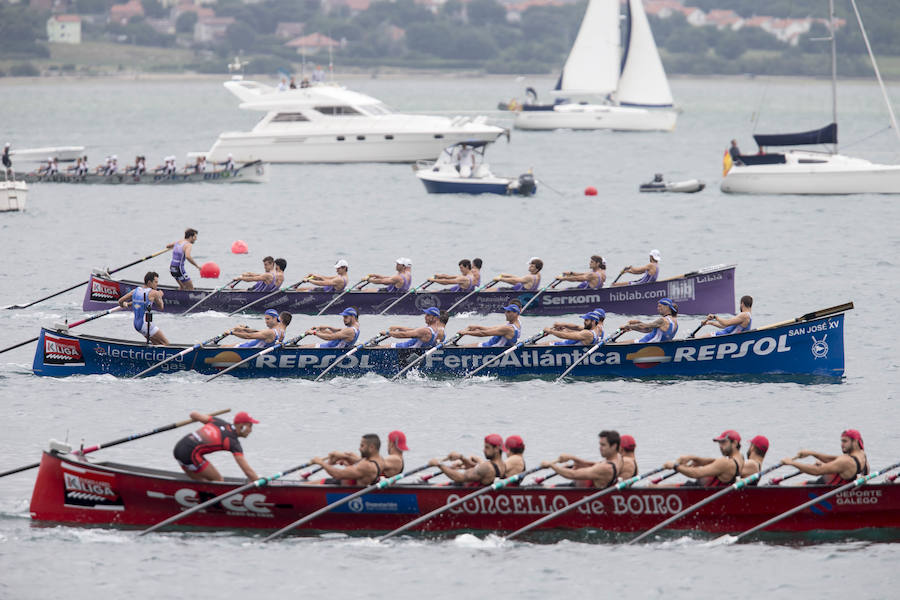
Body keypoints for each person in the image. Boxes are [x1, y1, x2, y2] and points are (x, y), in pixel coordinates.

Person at [173, 410, 260, 482]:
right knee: (218, 480)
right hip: (190, 454)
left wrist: (196, 416)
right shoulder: (233, 443)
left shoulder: (218, 422)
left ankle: (199, 497)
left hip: (179, 447)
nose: (251, 430)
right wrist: (258, 481)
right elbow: (248, 472)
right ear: (242, 426)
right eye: (250, 426)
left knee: (200, 481)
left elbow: (193, 414)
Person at [781, 429, 869, 485]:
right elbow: (835, 459)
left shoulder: (846, 461)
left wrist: (791, 463)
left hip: (822, 491)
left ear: (855, 442)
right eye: (841, 441)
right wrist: (812, 453)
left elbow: (817, 471)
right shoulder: (862, 454)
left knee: (794, 487)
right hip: (825, 485)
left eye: (845, 441)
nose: (842, 445)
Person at [541, 430, 624, 488]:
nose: (600, 448)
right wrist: (572, 458)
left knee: (536, 488)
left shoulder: (605, 468)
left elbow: (572, 474)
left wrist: (551, 465)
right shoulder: (619, 458)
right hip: (575, 487)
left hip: (580, 494)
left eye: (603, 445)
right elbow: (593, 465)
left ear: (614, 446)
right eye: (600, 445)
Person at [663, 430, 745, 487]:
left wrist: (675, 466)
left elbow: (696, 473)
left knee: (653, 487)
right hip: (707, 491)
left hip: (698, 495)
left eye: (723, 442)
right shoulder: (740, 458)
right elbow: (715, 462)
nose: (720, 446)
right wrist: (695, 458)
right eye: (719, 443)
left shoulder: (725, 463)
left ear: (734, 443)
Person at [428, 434, 507, 486]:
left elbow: (460, 477)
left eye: (487, 447)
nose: (483, 450)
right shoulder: (503, 465)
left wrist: (439, 465)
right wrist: (462, 458)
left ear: (496, 449)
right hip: (478, 491)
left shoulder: (487, 467)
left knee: (434, 487)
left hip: (464, 493)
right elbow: (475, 471)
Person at [327, 430, 408, 478]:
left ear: (391, 443)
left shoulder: (395, 459)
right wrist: (350, 459)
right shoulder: (396, 459)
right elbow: (371, 464)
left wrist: (345, 456)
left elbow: (374, 463)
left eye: (387, 442)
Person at [313, 434, 386, 486]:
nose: (359, 448)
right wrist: (346, 457)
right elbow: (360, 465)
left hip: (340, 488)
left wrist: (320, 462)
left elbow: (338, 474)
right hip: (345, 484)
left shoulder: (366, 466)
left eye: (362, 446)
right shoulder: (380, 460)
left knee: (305, 485)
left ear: (371, 447)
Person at [117, 271, 168, 344]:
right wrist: (160, 296)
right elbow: (161, 307)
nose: (157, 284)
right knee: (165, 343)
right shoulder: (154, 293)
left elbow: (120, 301)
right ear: (150, 282)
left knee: (156, 344)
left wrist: (126, 304)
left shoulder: (135, 291)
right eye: (156, 282)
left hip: (137, 325)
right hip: (146, 325)